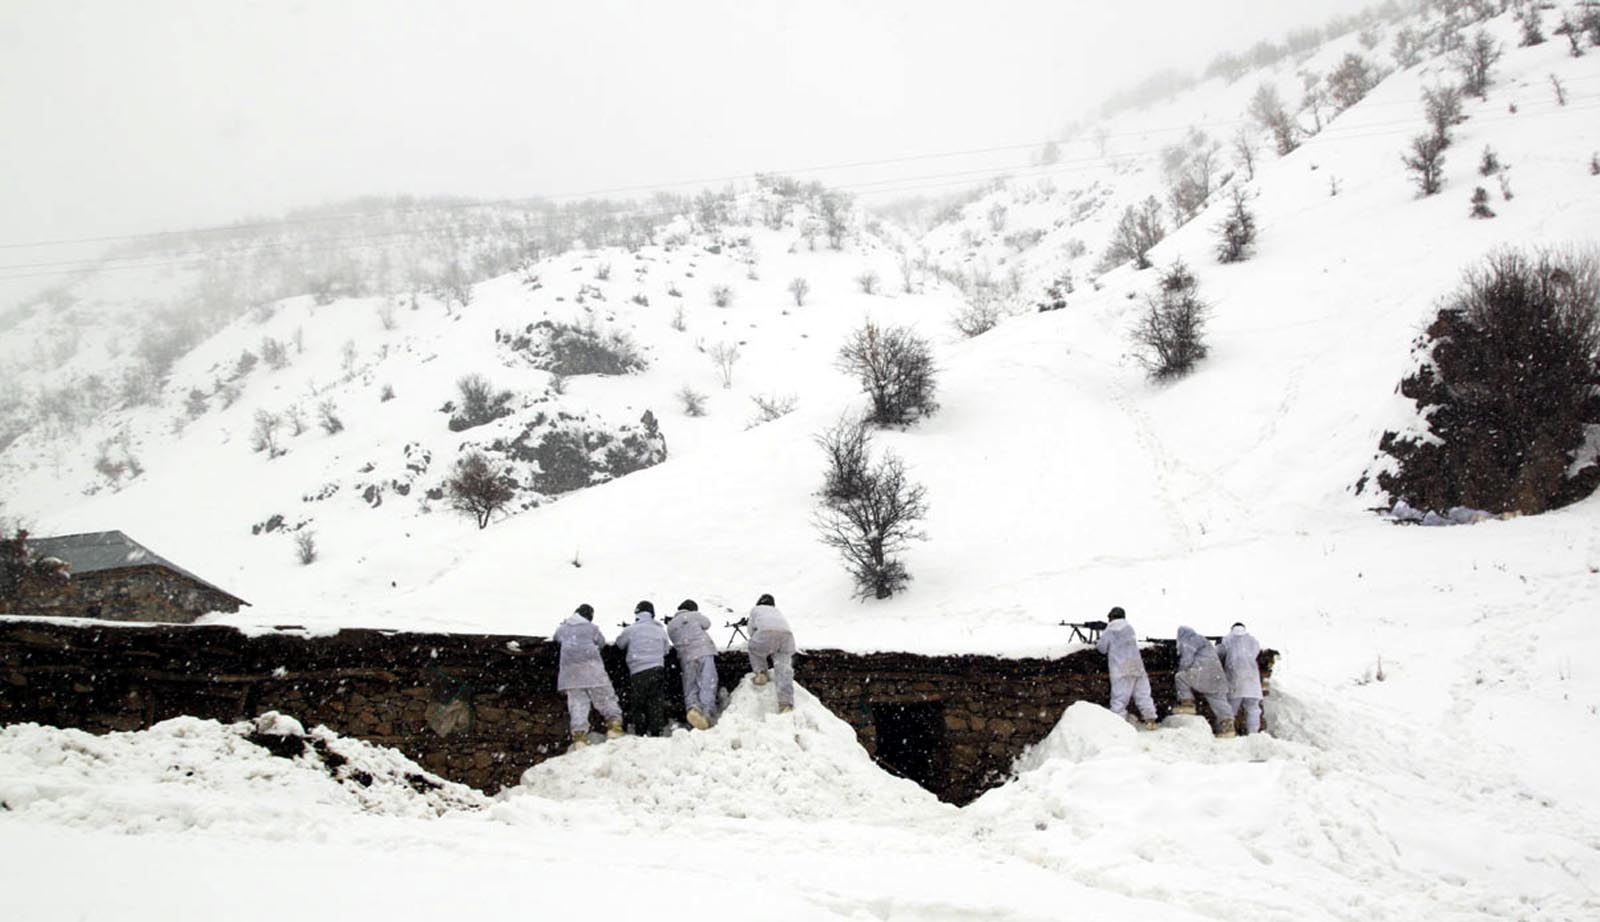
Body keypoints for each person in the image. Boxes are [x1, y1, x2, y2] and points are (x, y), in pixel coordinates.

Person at [553, 603, 623, 749]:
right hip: (593, 672)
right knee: (606, 700)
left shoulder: (563, 629)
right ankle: (614, 727)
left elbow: (556, 639)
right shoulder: (592, 628)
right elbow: (601, 643)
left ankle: (579, 738)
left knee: (578, 705)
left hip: (571, 676)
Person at [616, 599, 672, 737]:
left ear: (637, 614)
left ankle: (640, 731)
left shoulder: (630, 630)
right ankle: (656, 731)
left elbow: (619, 644)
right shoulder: (660, 630)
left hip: (638, 670)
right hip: (657, 669)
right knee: (655, 702)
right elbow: (666, 650)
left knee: (638, 702)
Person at [1095, 606, 1157, 729]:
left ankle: (1119, 726)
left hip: (1120, 667)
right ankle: (1151, 720)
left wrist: (1099, 639)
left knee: (1119, 698)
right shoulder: (1129, 628)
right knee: (1143, 694)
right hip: (1136, 665)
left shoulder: (1110, 629)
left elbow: (1102, 649)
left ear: (1111, 617)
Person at [1173, 625, 1233, 736]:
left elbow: (1187, 659)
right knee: (1219, 701)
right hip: (1217, 675)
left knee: (1180, 677)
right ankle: (1228, 726)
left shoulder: (1189, 641)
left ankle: (1187, 704)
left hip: (1202, 673)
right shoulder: (1204, 641)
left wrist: (1181, 668)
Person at [667, 598, 718, 729]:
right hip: (704, 651)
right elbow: (707, 624)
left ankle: (693, 708)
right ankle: (707, 714)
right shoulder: (694, 615)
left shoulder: (671, 625)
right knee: (708, 682)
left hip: (686, 657)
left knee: (691, 685)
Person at [746, 593, 796, 713]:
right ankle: (785, 703)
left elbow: (750, 630)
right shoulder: (776, 611)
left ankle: (761, 673)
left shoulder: (755, 610)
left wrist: (758, 640)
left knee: (755, 650)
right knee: (783, 667)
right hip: (787, 636)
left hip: (765, 632)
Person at [1219, 621, 1263, 736]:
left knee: (1231, 708)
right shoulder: (1253, 641)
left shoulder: (1227, 640)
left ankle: (1228, 731)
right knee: (1253, 708)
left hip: (1235, 677)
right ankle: (1253, 733)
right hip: (1252, 678)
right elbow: (1256, 653)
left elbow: (1219, 654)